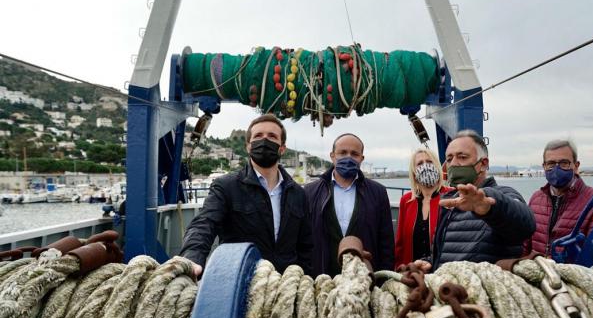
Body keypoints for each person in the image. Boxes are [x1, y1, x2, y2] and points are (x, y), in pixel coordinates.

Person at [179, 114, 312, 276]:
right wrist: (192, 258)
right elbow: (204, 224)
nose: (264, 140)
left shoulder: (298, 194)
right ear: (248, 147)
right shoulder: (226, 186)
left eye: (272, 136)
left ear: (282, 148)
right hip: (239, 282)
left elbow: (306, 246)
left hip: (285, 286)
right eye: (258, 136)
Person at [416, 129, 535, 272]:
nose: (454, 163)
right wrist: (430, 263)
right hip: (446, 289)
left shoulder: (502, 195)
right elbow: (446, 250)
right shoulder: (449, 201)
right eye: (449, 159)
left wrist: (490, 208)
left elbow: (526, 225)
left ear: (483, 164)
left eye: (462, 157)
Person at [305, 133, 394, 276]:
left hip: (363, 279)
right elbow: (304, 240)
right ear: (332, 156)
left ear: (361, 158)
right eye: (342, 153)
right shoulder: (310, 192)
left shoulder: (378, 193)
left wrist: (383, 279)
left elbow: (386, 244)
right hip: (322, 277)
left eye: (354, 154)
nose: (348, 157)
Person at [524, 139, 593, 260]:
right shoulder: (536, 199)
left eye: (564, 163)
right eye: (551, 164)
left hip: (574, 276)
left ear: (576, 166)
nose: (556, 169)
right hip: (537, 274)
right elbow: (525, 247)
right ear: (544, 167)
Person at [394, 148, 451, 269]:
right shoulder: (407, 200)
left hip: (442, 272)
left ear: (437, 166)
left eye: (429, 162)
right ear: (414, 172)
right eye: (420, 163)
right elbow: (400, 243)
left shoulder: (451, 196)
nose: (425, 166)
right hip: (412, 274)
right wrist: (399, 269)